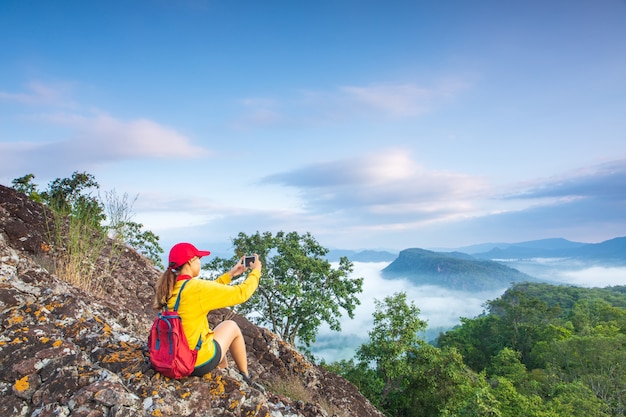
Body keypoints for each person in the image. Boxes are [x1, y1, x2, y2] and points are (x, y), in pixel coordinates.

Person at [152, 242, 261, 380]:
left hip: (174, 357)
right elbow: (241, 293)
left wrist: (231, 274)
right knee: (231, 326)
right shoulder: (196, 287)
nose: (200, 262)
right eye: (198, 258)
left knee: (213, 340)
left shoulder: (172, 287)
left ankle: (224, 371)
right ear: (191, 261)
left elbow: (210, 290)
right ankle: (245, 376)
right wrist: (256, 272)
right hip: (196, 362)